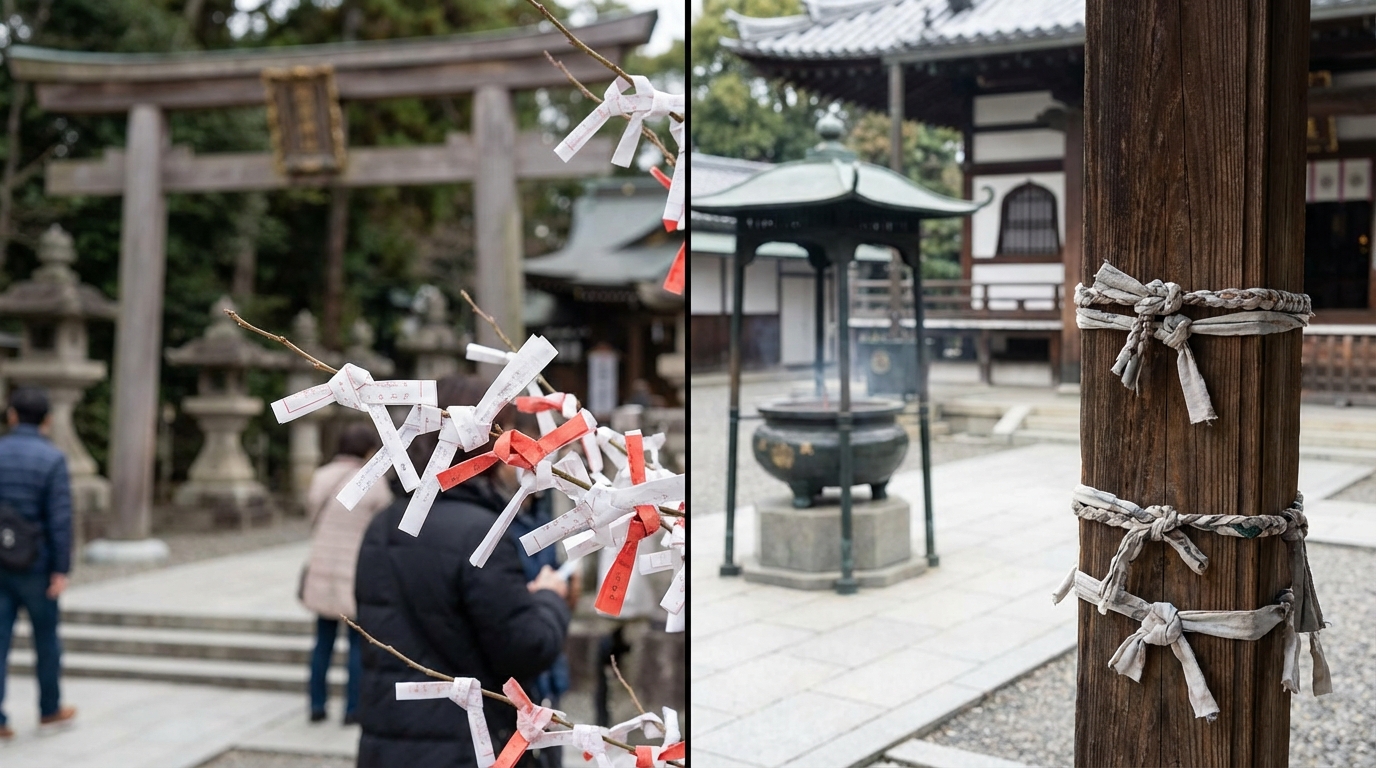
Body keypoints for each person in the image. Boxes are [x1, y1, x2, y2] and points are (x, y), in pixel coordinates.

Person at [355, 375, 571, 768]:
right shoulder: (481, 535)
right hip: (466, 743)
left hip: (388, 739)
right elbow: (526, 648)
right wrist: (548, 599)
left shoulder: (383, 524)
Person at [301, 422, 393, 725]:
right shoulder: (374, 482)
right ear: (368, 450)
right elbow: (383, 527)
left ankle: (317, 704)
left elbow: (311, 513)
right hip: (357, 570)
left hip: (323, 567)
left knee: (323, 641)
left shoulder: (321, 476)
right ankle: (353, 709)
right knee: (357, 644)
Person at [0, 387, 76, 740]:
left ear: (12, 415)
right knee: (46, 640)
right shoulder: (52, 459)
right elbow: (60, 519)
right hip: (37, 565)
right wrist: (61, 569)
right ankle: (49, 709)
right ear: (47, 420)